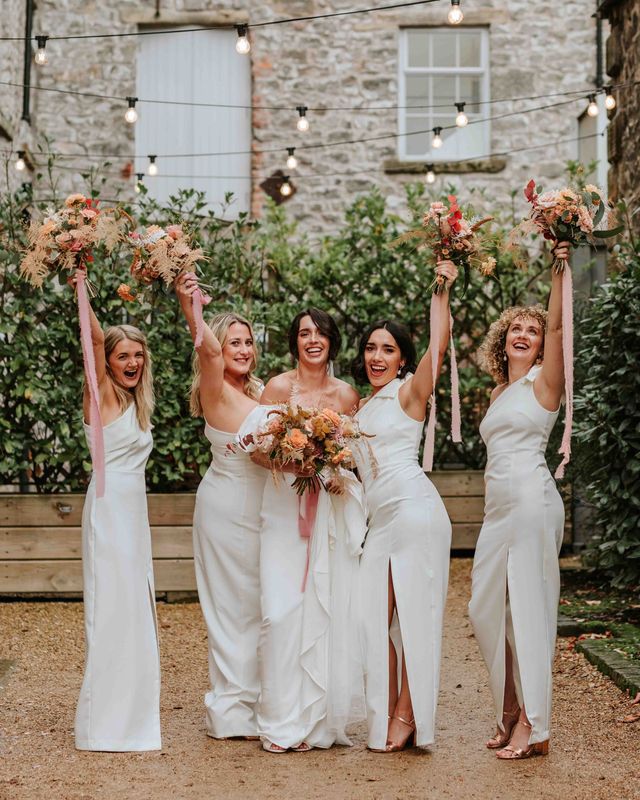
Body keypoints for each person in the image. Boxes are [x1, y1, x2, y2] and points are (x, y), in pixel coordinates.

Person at [243, 308, 364, 753]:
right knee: (279, 614)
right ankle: (277, 720)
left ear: (332, 340)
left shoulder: (347, 396)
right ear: (295, 342)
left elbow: (356, 459)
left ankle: (314, 723)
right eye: (303, 334)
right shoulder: (277, 387)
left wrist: (333, 468)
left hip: (327, 513)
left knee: (321, 610)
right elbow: (256, 452)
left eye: (320, 333)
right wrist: (298, 462)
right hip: (281, 509)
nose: (312, 340)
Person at [468, 242, 570, 760]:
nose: (525, 335)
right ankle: (509, 707)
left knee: (527, 609)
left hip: (532, 499)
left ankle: (533, 724)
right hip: (497, 510)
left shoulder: (544, 384)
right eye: (516, 329)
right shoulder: (496, 394)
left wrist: (559, 265)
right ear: (502, 342)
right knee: (485, 608)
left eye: (532, 331)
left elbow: (557, 328)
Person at [351, 260, 457, 752]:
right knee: (375, 616)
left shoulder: (409, 394)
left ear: (401, 359)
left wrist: (442, 289)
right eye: (371, 348)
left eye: (387, 349)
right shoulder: (360, 408)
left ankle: (407, 713)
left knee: (414, 613)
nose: (377, 356)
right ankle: (389, 707)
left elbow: (440, 344)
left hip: (414, 510)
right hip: (379, 522)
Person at [175, 273, 265, 739]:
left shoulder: (261, 392)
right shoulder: (215, 386)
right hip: (226, 508)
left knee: (260, 603)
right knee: (230, 606)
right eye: (234, 342)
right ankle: (230, 708)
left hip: (264, 511)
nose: (243, 350)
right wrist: (189, 302)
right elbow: (207, 350)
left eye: (248, 342)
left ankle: (260, 698)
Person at [73, 285, 160, 751]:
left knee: (134, 608)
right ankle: (106, 721)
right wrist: (81, 283)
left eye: (138, 356)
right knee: (111, 609)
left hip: (134, 515)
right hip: (108, 513)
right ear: (106, 362)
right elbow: (92, 334)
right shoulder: (102, 394)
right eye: (123, 355)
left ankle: (133, 713)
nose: (131, 363)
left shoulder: (134, 404)